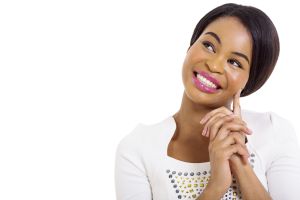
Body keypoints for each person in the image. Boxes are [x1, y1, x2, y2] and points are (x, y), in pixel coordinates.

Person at [114, 3, 300, 200]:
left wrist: (241, 163)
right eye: (209, 46)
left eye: (235, 62)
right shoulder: (137, 149)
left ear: (250, 81)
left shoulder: (274, 131)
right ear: (190, 46)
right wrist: (215, 187)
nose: (213, 65)